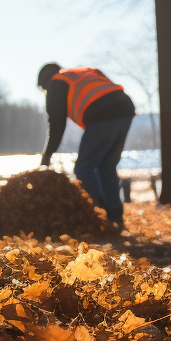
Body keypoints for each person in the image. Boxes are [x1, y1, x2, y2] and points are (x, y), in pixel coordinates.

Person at [37, 63, 136, 229]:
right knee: (106, 166)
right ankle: (115, 218)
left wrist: (46, 156)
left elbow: (56, 123)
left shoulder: (55, 82)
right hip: (124, 107)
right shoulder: (81, 73)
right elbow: (108, 86)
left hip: (102, 113)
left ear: (44, 81)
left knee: (84, 168)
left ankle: (99, 215)